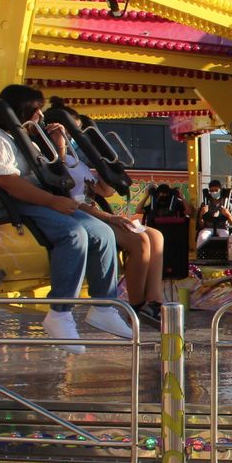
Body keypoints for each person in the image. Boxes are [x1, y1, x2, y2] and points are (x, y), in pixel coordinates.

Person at [0, 85, 132, 349]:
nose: (40, 116)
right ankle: (60, 313)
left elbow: (53, 175)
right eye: (36, 110)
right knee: (72, 234)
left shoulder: (27, 140)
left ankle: (104, 306)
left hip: (31, 198)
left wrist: (57, 146)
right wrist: (52, 201)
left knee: (102, 232)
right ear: (22, 110)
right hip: (2, 203)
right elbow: (8, 183)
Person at [56, 116, 167, 326]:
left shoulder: (77, 161)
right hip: (81, 215)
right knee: (140, 241)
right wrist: (110, 217)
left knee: (156, 236)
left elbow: (104, 191)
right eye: (70, 131)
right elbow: (69, 199)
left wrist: (103, 162)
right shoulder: (56, 161)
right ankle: (135, 306)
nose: (73, 137)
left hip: (94, 212)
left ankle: (154, 300)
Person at [195, 179, 232, 253]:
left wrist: (228, 215)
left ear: (220, 190)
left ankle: (225, 255)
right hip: (208, 228)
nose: (214, 192)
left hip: (222, 228)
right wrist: (201, 214)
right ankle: (200, 255)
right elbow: (201, 225)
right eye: (212, 191)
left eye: (216, 190)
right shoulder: (205, 205)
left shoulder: (227, 205)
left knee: (225, 238)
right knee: (202, 237)